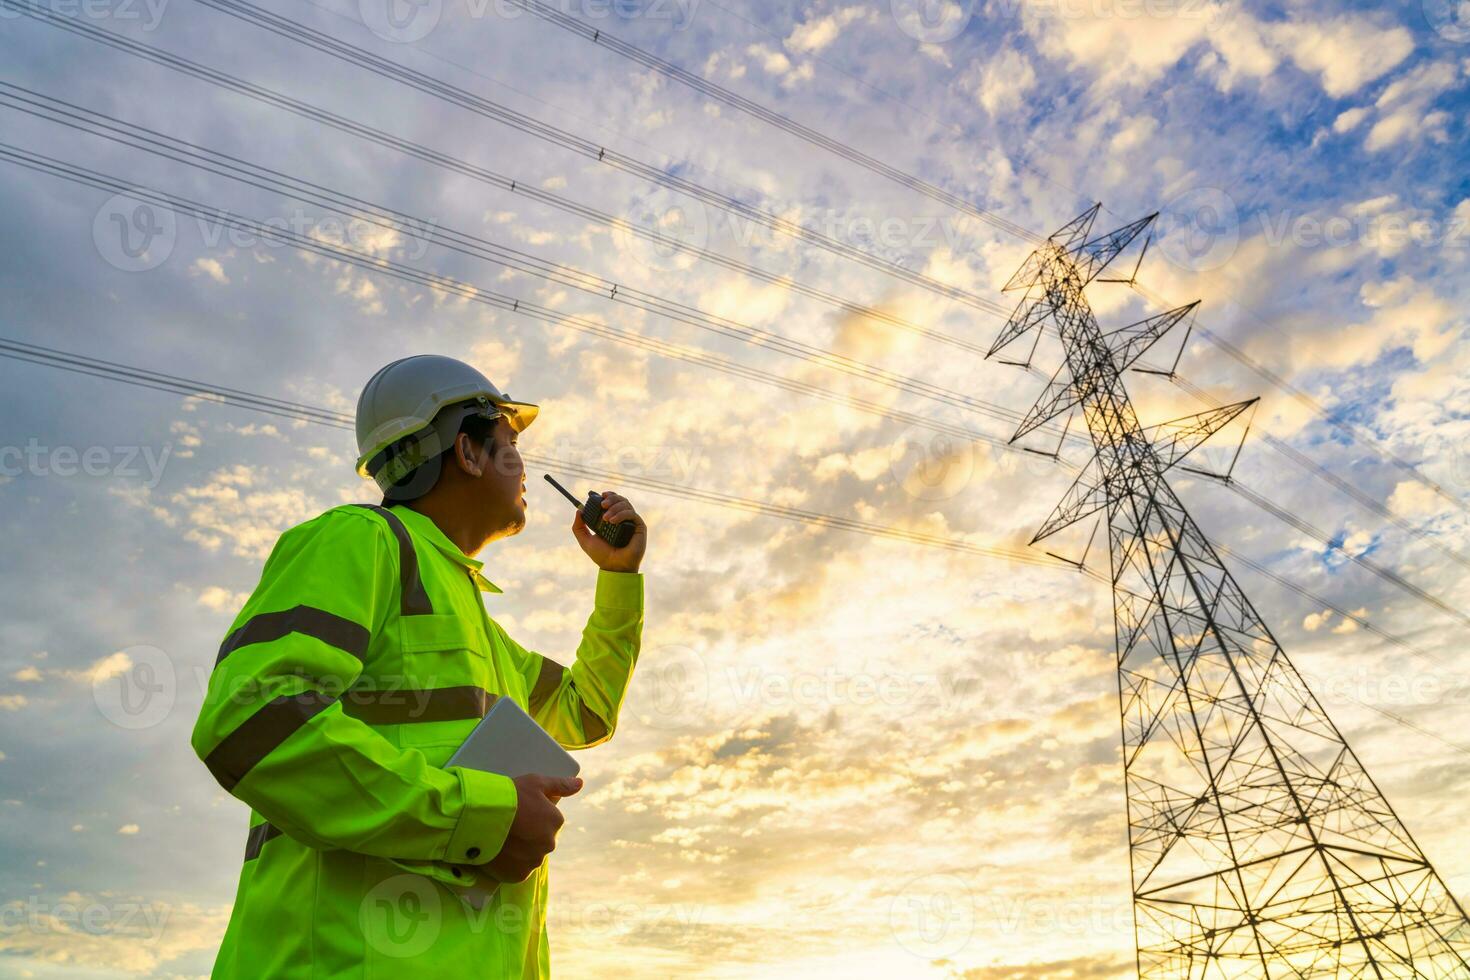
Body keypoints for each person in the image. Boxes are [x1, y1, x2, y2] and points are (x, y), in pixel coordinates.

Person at [190, 353, 647, 977]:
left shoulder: (481, 627)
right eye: (509, 444)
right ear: (466, 450)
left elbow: (585, 711)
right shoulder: (359, 541)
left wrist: (618, 580)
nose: (521, 466)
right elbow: (251, 721)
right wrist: (481, 815)